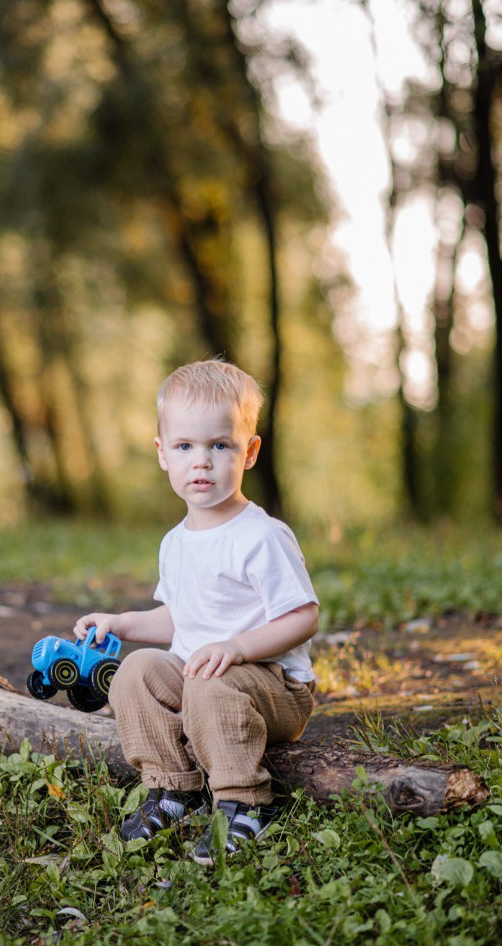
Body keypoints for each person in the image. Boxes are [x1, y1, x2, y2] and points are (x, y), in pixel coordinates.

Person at [74, 359, 319, 864]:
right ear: (163, 454)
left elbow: (303, 616)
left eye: (219, 445)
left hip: (272, 687)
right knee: (136, 671)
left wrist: (236, 647)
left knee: (209, 679)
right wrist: (119, 623)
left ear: (249, 452)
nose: (201, 462)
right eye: (185, 446)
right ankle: (174, 790)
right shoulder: (176, 542)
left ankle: (245, 802)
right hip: (202, 678)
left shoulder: (260, 536)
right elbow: (176, 619)